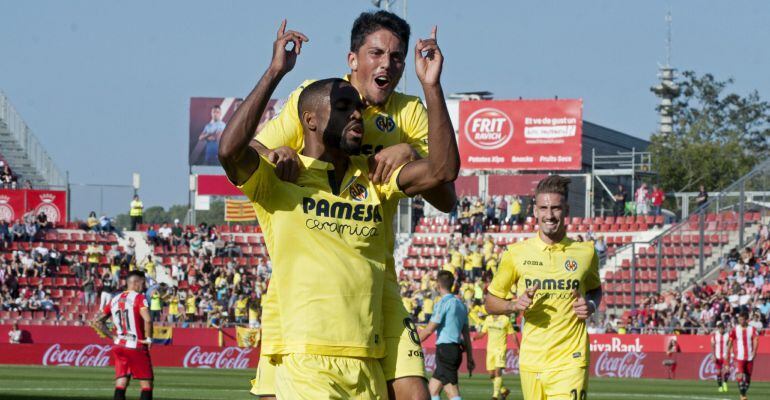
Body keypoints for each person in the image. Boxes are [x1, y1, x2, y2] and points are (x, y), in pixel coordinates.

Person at [219, 16, 457, 399]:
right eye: (376, 53)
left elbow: (445, 190)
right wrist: (277, 152)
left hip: (377, 284)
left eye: (396, 57)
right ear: (352, 59)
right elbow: (242, 150)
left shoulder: (408, 116)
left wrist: (413, 149)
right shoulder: (316, 98)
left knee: (416, 393)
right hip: (300, 297)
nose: (387, 63)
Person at [485, 176, 602, 400]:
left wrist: (591, 305)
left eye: (556, 208)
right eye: (544, 208)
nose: (549, 215)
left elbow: (596, 289)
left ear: (566, 210)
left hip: (571, 359)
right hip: (532, 360)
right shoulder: (516, 253)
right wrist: (513, 305)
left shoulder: (586, 252)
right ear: (535, 211)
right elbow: (490, 303)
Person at [90, 271, 154, 400]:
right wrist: (148, 338)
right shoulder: (139, 298)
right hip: (135, 345)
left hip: (119, 345)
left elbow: (96, 321)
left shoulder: (115, 299)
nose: (144, 286)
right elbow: (147, 320)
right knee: (147, 384)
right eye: (143, 283)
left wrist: (112, 336)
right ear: (136, 282)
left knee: (121, 381)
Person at [418, 270, 474, 400]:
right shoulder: (461, 305)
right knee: (432, 391)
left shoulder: (443, 303)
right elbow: (466, 335)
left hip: (445, 351)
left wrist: (413, 343)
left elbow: (429, 330)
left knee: (451, 391)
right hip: (455, 351)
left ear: (438, 285)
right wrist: (470, 358)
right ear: (452, 285)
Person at [474, 314, 519, 400]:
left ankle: (495, 396)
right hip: (490, 350)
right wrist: (473, 338)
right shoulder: (488, 319)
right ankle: (504, 390)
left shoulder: (505, 319)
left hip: (500, 350)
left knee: (498, 372)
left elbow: (513, 334)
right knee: (492, 375)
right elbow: (482, 333)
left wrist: (518, 347)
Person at [727, 311, 759, 400]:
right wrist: (729, 351)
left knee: (748, 378)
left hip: (749, 357)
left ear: (746, 320)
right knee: (740, 375)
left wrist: (754, 351)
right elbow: (730, 341)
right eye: (739, 319)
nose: (740, 321)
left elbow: (756, 340)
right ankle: (743, 396)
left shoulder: (752, 329)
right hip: (739, 356)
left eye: (742, 319)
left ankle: (743, 394)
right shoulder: (735, 329)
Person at [711, 321, 730, 393]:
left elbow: (730, 345)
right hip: (717, 356)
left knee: (727, 370)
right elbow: (712, 346)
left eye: (722, 328)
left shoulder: (728, 335)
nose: (721, 330)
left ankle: (725, 383)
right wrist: (713, 355)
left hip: (725, 356)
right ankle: (720, 386)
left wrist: (729, 354)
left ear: (724, 328)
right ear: (718, 328)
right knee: (719, 372)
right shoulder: (714, 335)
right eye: (720, 328)